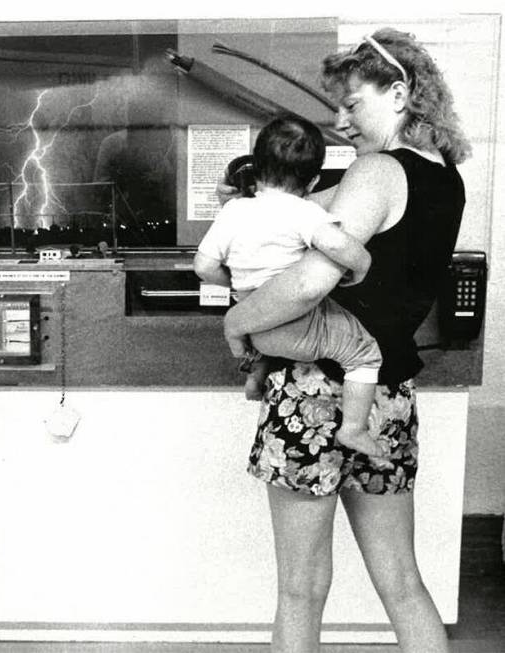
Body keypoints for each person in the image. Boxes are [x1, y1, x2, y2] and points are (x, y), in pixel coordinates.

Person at [220, 28, 469, 652]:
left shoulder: (376, 170)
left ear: (400, 93)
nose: (341, 120)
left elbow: (307, 284)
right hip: (386, 396)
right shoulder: (445, 179)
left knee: (300, 592)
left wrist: (238, 321)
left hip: (314, 391)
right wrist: (257, 200)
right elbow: (311, 207)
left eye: (352, 104)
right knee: (404, 584)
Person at [195, 115, 386, 458]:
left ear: (257, 167)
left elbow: (204, 267)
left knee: (268, 342)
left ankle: (255, 376)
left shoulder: (233, 211)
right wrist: (361, 266)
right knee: (364, 353)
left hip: (255, 326)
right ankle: (354, 429)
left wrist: (238, 287)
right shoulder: (303, 211)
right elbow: (339, 245)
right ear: (313, 181)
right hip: (298, 324)